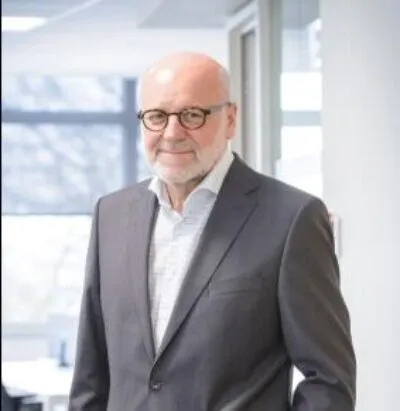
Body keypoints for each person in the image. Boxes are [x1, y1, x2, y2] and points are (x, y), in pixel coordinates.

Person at [68, 51, 356, 411]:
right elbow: (91, 373)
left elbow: (328, 381)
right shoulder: (111, 214)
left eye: (192, 115)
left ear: (230, 119)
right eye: (157, 116)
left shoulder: (291, 218)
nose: (172, 134)